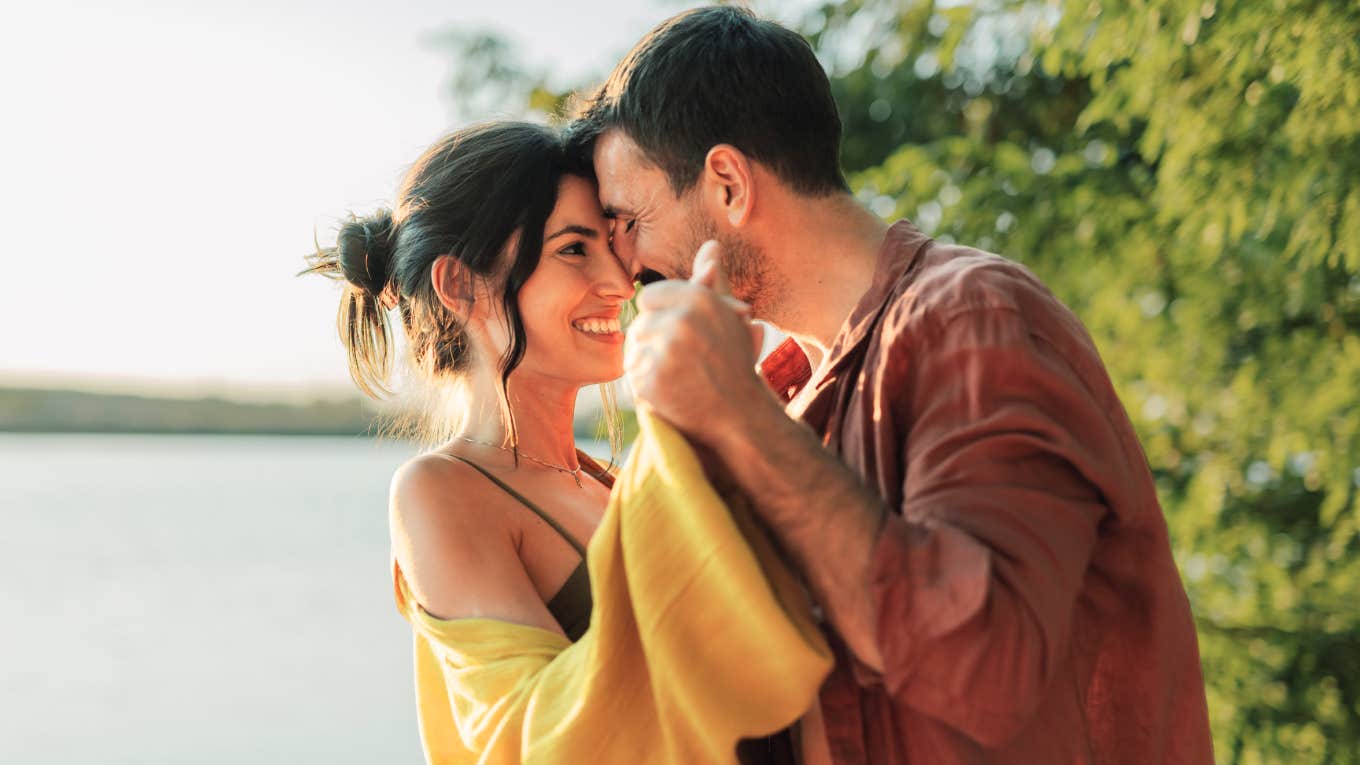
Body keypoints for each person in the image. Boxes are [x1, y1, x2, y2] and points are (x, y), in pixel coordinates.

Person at [570, 6, 1216, 763]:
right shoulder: (786, 393)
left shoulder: (972, 317)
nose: (627, 267)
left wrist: (737, 415)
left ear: (728, 184)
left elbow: (986, 666)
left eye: (628, 221)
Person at [305, 121, 829, 764]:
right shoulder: (441, 490)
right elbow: (544, 741)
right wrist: (686, 422)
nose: (621, 281)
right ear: (460, 285)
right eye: (574, 249)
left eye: (611, 243)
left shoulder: (613, 480)